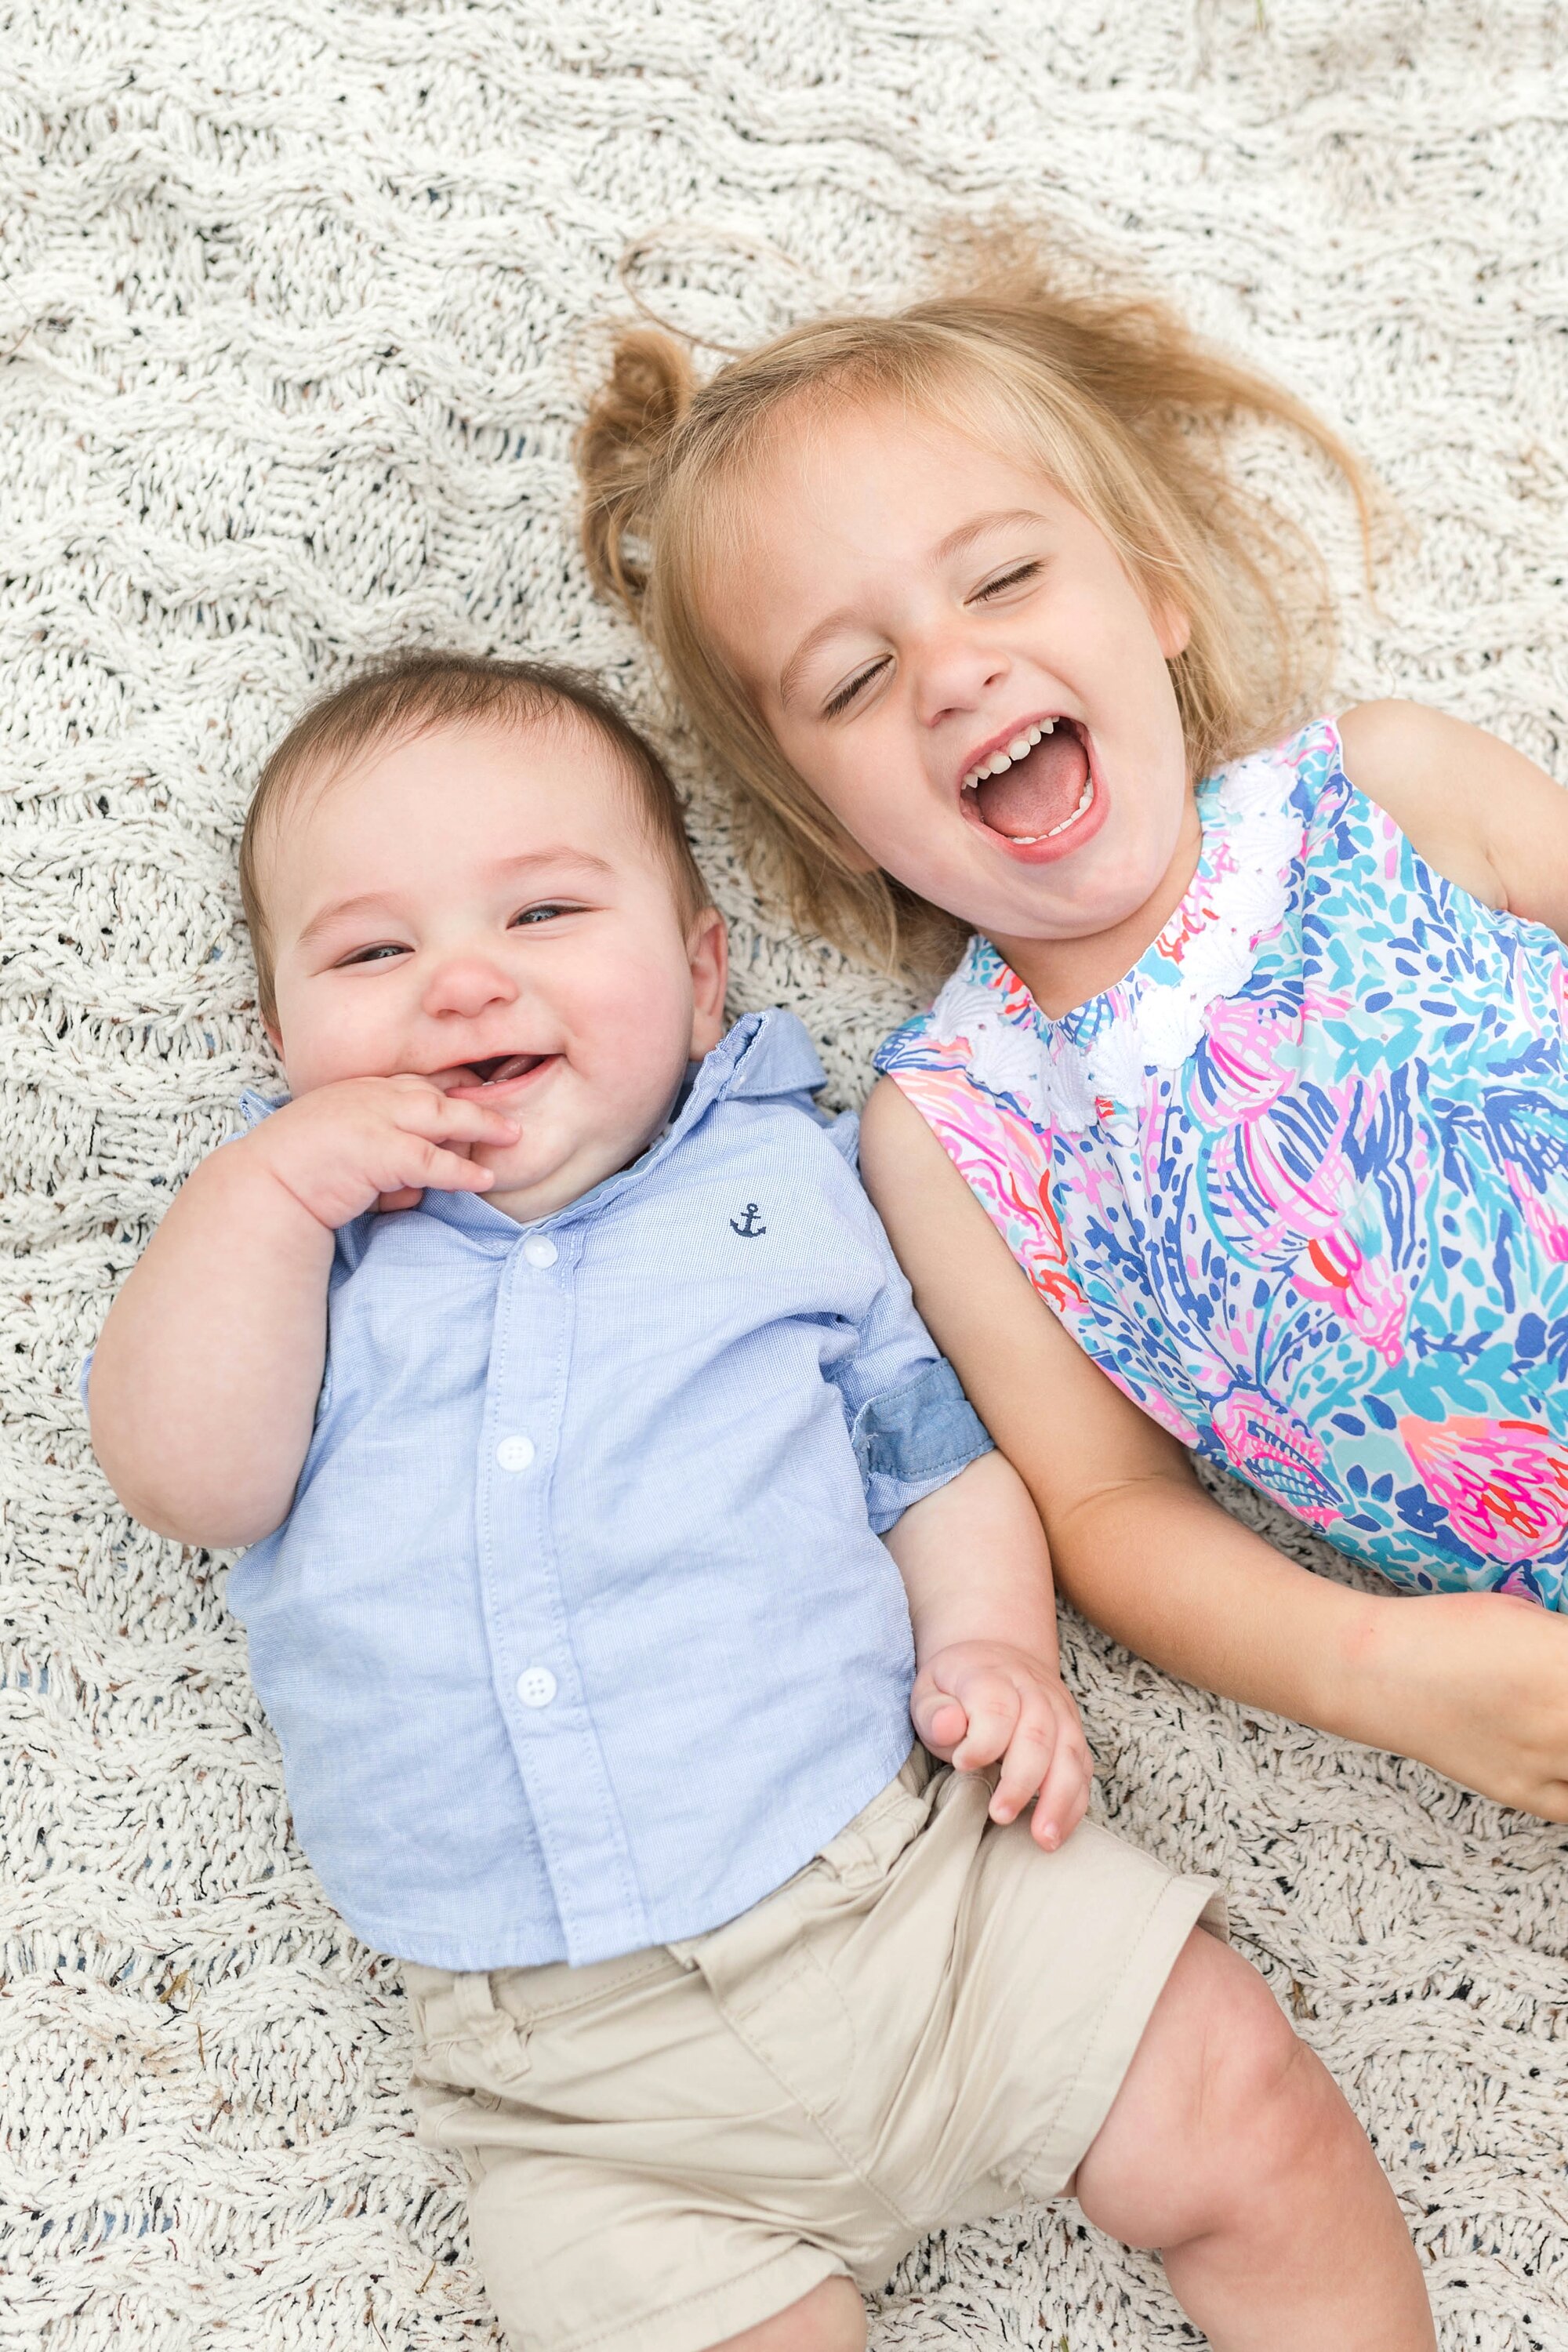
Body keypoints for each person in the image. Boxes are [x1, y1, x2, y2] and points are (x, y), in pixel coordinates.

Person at [86, 652, 1432, 2352]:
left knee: (1246, 2112)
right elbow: (188, 1480)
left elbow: (926, 1459)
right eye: (370, 952)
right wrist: (263, 1197)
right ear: (279, 1035)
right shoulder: (297, 1251)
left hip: (923, 1906)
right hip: (578, 2084)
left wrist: (1000, 1650)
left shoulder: (779, 1182)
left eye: (544, 914)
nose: (460, 986)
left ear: (703, 973)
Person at [575, 242, 1568, 1824]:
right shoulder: (956, 1130)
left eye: (1000, 579)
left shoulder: (1385, 794)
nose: (955, 668)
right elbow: (1106, 1504)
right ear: (828, 822)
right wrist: (1380, 1673)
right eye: (854, 675)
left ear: (1154, 596)